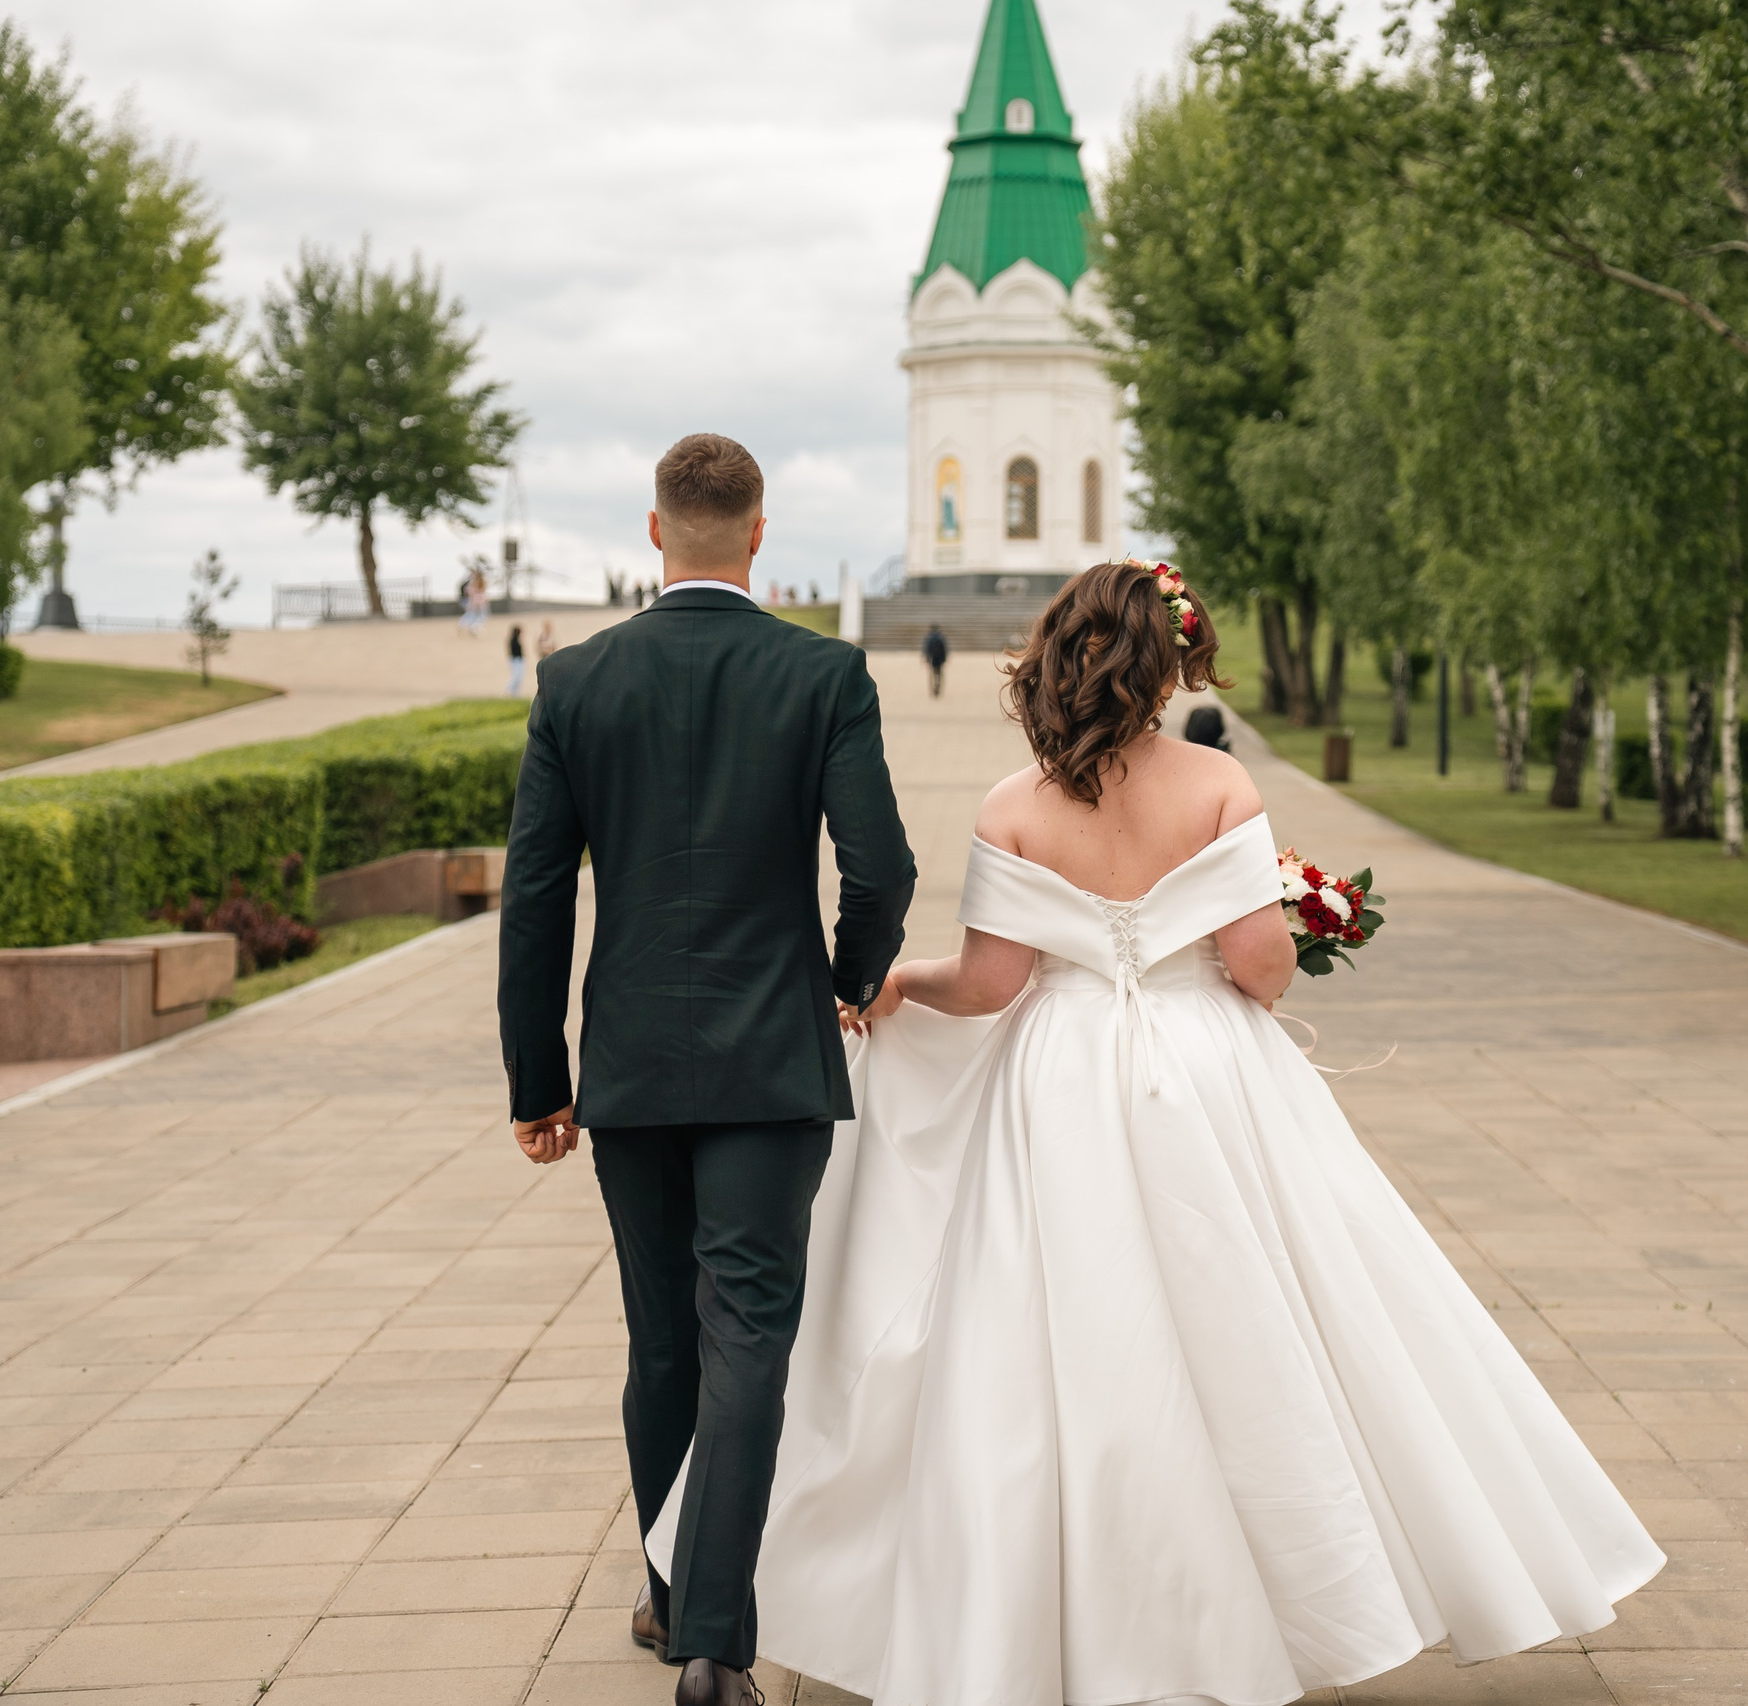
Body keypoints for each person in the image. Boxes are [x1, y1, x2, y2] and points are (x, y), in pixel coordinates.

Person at [642, 560, 1663, 1706]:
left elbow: (989, 983)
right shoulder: (1218, 782)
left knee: (1045, 1332)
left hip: (1053, 1081)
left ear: (1058, 659)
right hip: (1205, 1072)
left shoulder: (1014, 803)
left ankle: (1030, 1618)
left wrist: (896, 982)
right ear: (1168, 662)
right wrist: (1260, 963)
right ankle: (1260, 1600)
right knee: (1269, 1320)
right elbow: (1260, 964)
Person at [497, 433, 916, 1706]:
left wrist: (537, 1078)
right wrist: (847, 983)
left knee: (660, 1335)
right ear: (757, 533)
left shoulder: (575, 680)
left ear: (652, 529)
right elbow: (881, 867)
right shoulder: (823, 672)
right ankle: (715, 1646)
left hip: (628, 1063)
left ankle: (676, 1588)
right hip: (772, 1058)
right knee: (748, 1333)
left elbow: (532, 898)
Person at [919, 621, 948, 698]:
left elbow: (926, 649)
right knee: (939, 673)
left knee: (932, 674)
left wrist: (926, 658)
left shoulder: (929, 638)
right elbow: (944, 649)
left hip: (932, 658)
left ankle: (932, 688)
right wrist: (944, 658)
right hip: (939, 658)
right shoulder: (941, 637)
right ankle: (938, 685)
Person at [505, 623, 525, 695]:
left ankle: (516, 693)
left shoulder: (516, 640)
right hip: (515, 660)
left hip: (518, 660)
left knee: (519, 677)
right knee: (516, 677)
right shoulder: (513, 641)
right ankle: (508, 689)